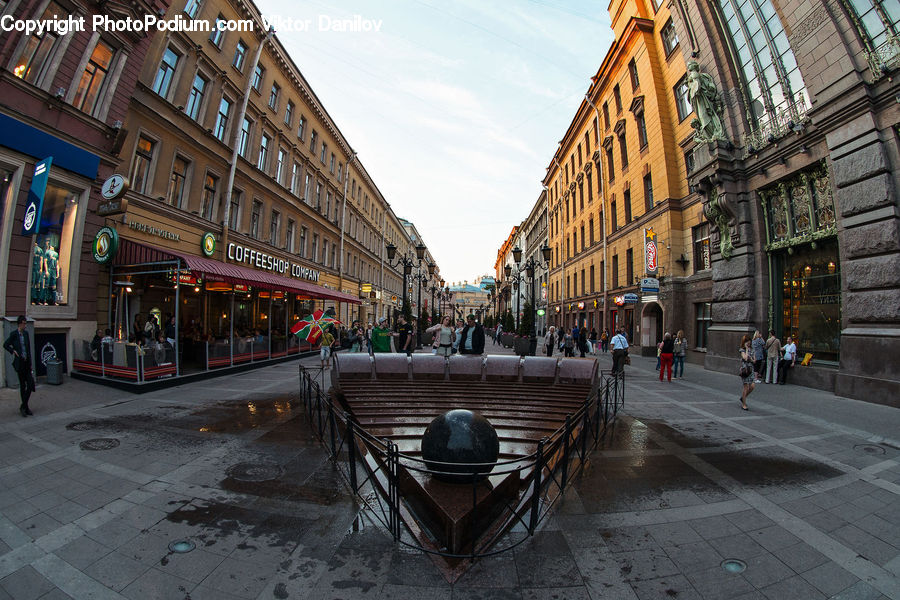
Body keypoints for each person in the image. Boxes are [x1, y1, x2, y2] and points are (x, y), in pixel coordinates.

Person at [4, 316, 35, 417]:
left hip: (26, 363)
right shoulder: (14, 334)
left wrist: (30, 365)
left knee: (30, 384)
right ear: (19, 324)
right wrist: (13, 351)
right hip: (19, 363)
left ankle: (23, 406)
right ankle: (25, 408)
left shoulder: (26, 334)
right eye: (24, 323)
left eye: (26, 323)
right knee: (23, 385)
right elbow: (5, 344)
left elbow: (28, 349)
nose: (25, 325)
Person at [739, 335, 755, 410]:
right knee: (745, 387)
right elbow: (745, 358)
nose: (749, 344)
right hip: (745, 370)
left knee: (752, 386)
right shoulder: (742, 350)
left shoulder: (752, 349)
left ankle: (743, 397)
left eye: (749, 343)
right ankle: (744, 404)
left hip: (751, 369)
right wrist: (747, 349)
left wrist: (751, 359)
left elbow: (754, 360)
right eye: (747, 343)